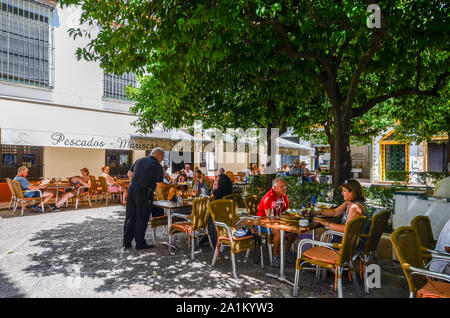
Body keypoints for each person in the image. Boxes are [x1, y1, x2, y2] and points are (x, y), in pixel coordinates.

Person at [123, 147, 164, 250]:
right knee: (142, 217)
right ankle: (140, 243)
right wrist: (173, 186)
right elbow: (160, 185)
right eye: (162, 157)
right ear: (158, 155)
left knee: (130, 216)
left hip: (132, 189)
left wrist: (138, 180)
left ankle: (126, 242)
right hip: (144, 191)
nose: (162, 159)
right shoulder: (157, 166)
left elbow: (130, 174)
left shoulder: (139, 160)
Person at [314, 179, 368, 252]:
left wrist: (326, 223)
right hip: (352, 238)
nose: (342, 193)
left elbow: (346, 229)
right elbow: (335, 212)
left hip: (350, 243)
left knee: (325, 237)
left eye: (344, 191)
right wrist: (319, 212)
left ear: (352, 192)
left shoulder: (354, 208)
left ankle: (325, 260)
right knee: (327, 236)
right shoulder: (349, 202)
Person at [257, 178, 297, 267]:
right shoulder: (269, 197)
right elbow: (269, 217)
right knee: (278, 232)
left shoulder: (284, 196)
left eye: (285, 186)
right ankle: (275, 256)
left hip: (277, 221)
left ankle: (285, 253)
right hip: (262, 223)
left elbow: (286, 212)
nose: (284, 188)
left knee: (295, 231)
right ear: (274, 188)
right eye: (281, 186)